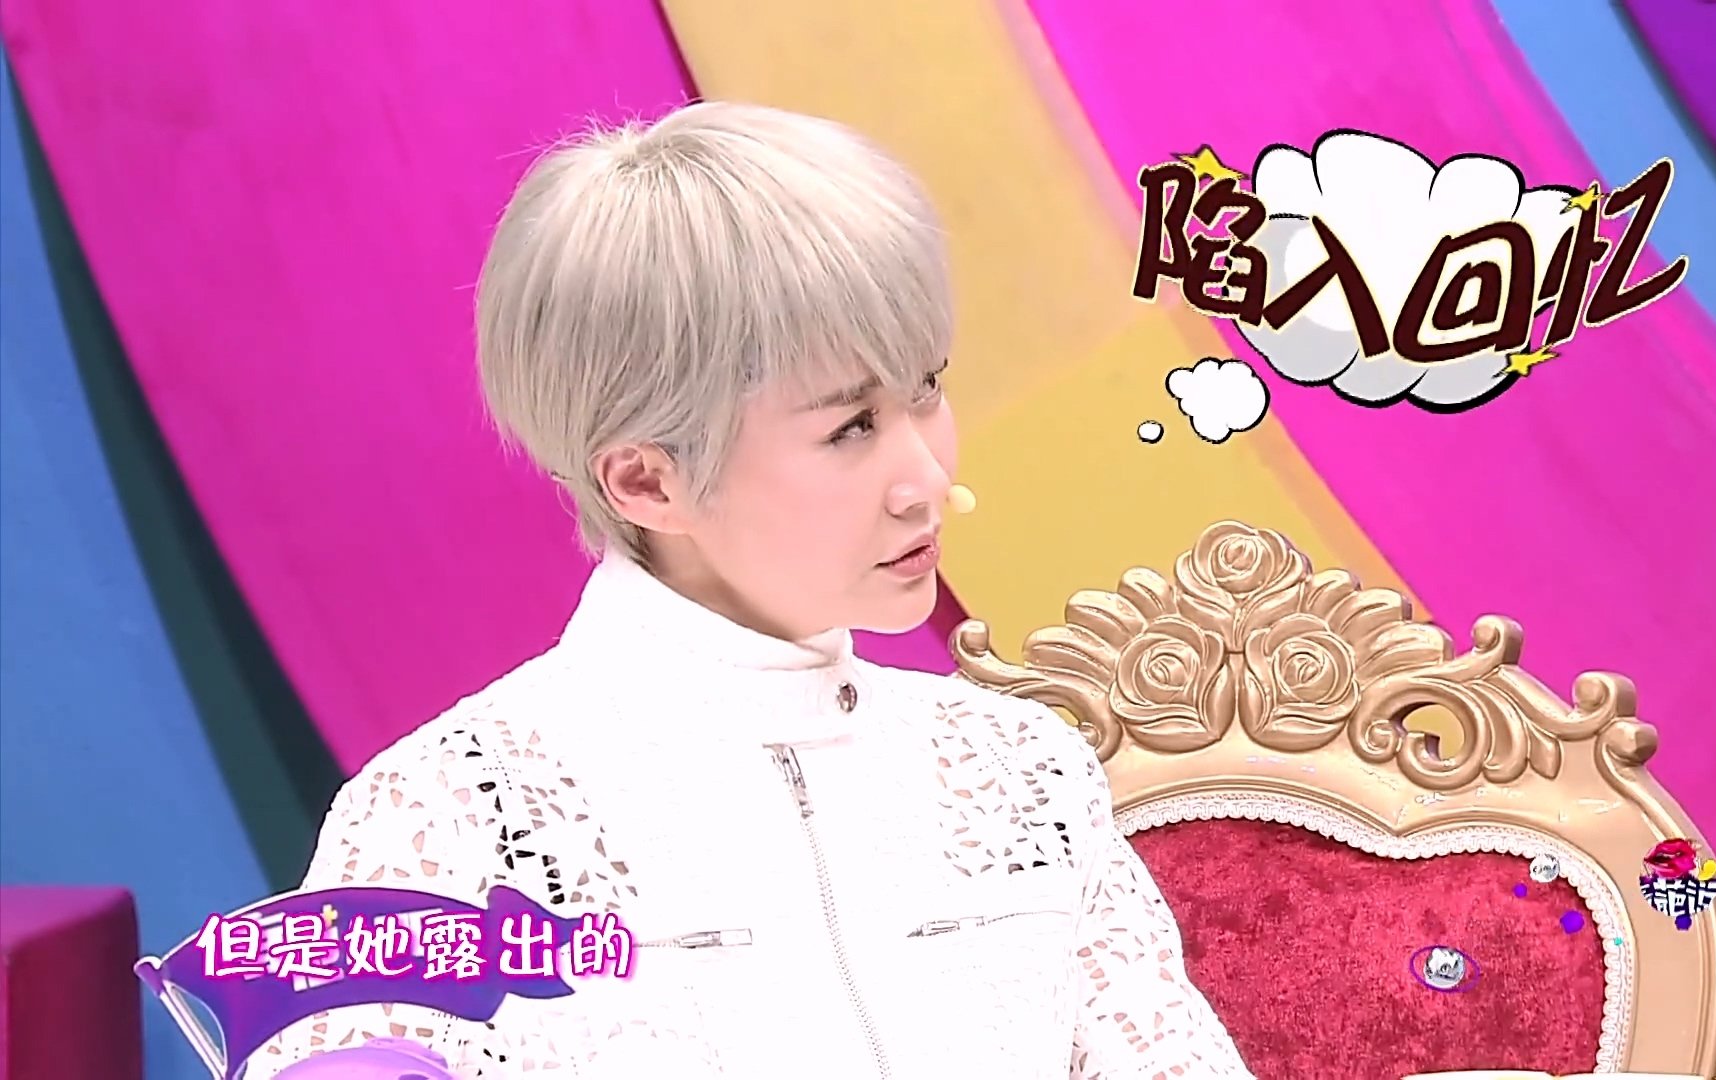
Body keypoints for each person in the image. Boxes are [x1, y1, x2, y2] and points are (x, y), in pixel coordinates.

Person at [248, 101, 1252, 1080]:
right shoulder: (439, 820)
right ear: (647, 482)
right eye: (849, 428)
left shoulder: (1023, 770)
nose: (927, 479)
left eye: (926, 392)